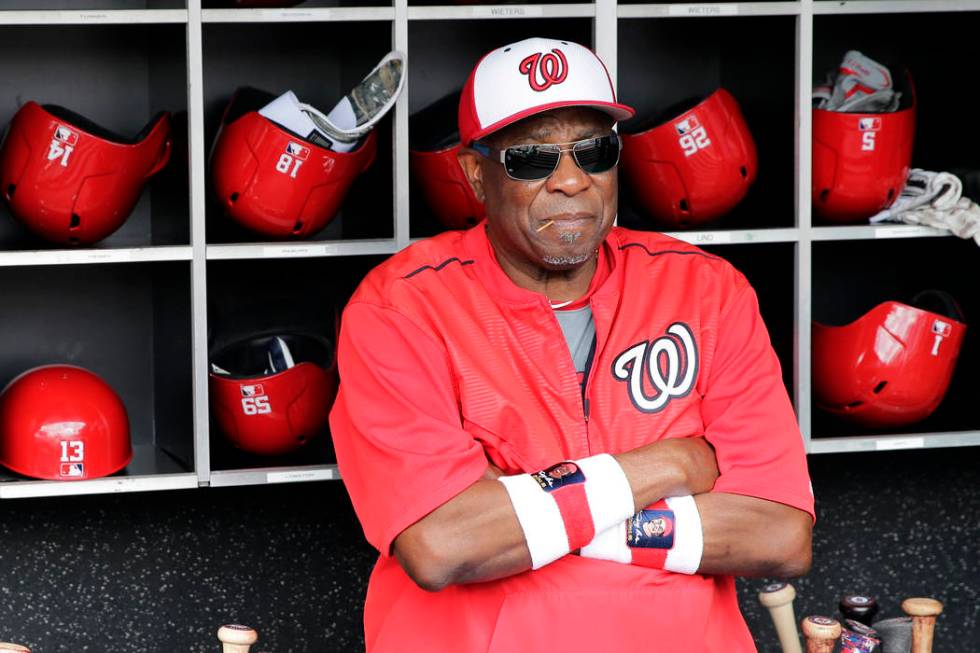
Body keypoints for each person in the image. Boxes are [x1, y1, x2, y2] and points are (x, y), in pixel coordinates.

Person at [329, 37, 814, 652]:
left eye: (595, 151)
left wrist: (522, 505)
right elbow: (442, 546)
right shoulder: (400, 308)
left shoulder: (707, 292)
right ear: (476, 175)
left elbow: (779, 537)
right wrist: (674, 464)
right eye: (531, 159)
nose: (570, 181)